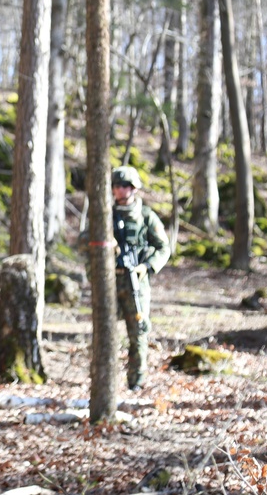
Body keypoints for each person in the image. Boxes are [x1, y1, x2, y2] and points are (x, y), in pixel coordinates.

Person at [111, 165, 170, 391]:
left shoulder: (146, 216)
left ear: (134, 188)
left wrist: (147, 267)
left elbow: (163, 247)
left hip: (137, 282)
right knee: (106, 333)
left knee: (138, 333)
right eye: (116, 185)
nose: (120, 190)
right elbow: (86, 243)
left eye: (124, 185)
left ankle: (136, 381)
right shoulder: (106, 215)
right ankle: (106, 380)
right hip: (111, 281)